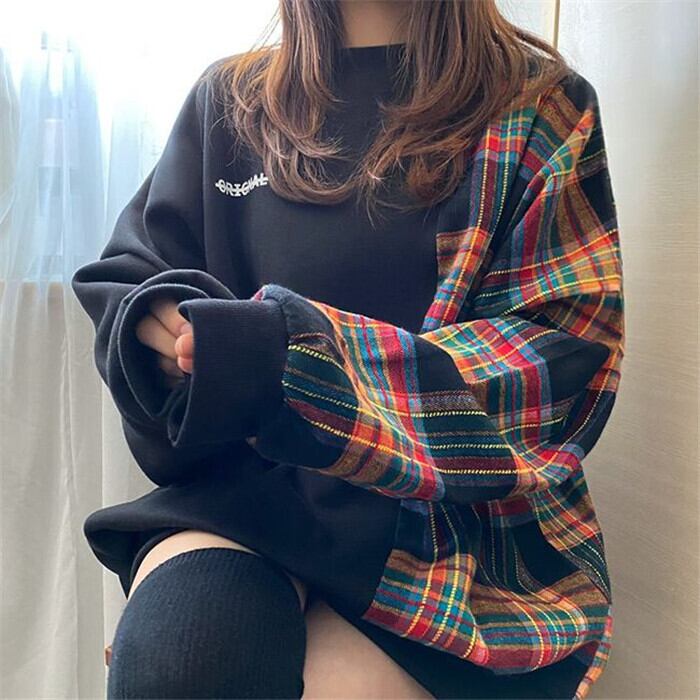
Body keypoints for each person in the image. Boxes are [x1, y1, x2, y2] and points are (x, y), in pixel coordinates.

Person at [71, 0, 625, 698]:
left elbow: (556, 360)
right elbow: (135, 272)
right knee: (181, 668)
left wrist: (287, 362)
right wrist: (153, 328)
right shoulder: (230, 101)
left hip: (455, 531)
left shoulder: (540, 108)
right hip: (247, 499)